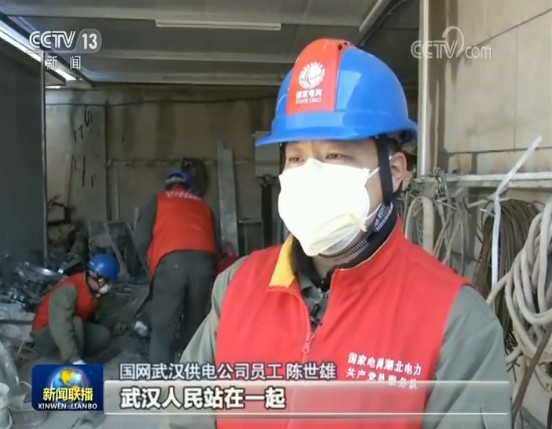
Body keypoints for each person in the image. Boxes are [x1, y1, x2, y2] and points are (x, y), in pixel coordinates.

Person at [164, 39, 511, 429]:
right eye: (296, 158)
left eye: (335, 156)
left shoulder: (456, 323)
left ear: (394, 171)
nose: (310, 174)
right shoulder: (235, 288)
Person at [135, 169, 218, 364]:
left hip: (171, 264)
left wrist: (152, 264)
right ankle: (192, 370)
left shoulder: (159, 200)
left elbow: (140, 239)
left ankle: (161, 374)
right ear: (189, 187)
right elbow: (216, 242)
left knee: (164, 326)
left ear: (168, 186)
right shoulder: (204, 206)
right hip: (204, 265)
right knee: (195, 323)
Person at [31, 253, 119, 364]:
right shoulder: (69, 289)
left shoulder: (94, 289)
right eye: (108, 282)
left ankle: (66, 353)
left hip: (69, 327)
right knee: (76, 321)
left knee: (102, 335)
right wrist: (75, 359)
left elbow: (112, 307)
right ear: (98, 278)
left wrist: (134, 324)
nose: (109, 286)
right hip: (45, 333)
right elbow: (61, 325)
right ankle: (68, 358)